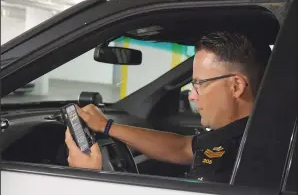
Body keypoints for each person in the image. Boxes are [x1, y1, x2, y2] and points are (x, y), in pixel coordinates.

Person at [64, 31, 271, 183]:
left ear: (236, 85)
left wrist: (90, 179)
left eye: (199, 84)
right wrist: (107, 126)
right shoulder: (244, 133)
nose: (192, 96)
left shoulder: (245, 163)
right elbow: (183, 147)